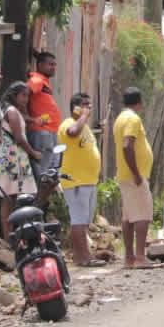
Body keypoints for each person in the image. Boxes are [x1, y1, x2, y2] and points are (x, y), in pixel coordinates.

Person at [114, 87, 158, 269]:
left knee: (129, 216)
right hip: (134, 175)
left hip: (125, 174)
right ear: (139, 101)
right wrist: (136, 173)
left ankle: (129, 257)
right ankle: (140, 257)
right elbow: (127, 146)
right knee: (142, 215)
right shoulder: (132, 118)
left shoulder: (120, 118)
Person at [59, 92, 103, 268]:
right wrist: (84, 115)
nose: (89, 108)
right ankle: (82, 257)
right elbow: (72, 133)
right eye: (85, 105)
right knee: (78, 220)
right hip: (76, 181)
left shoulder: (84, 126)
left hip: (88, 180)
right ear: (75, 107)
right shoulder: (69, 124)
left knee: (83, 221)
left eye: (89, 105)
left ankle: (83, 255)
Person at [0, 82, 39, 237]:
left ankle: (13, 234)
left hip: (16, 157)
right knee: (9, 196)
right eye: (23, 95)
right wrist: (33, 153)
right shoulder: (12, 111)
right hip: (13, 157)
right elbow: (19, 138)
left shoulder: (15, 111)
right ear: (14, 95)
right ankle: (8, 235)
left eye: (28, 96)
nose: (26, 99)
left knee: (13, 196)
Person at [26, 52, 63, 193]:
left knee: (50, 174)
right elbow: (23, 92)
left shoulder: (44, 82)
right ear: (40, 65)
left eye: (54, 65)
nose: (53, 67)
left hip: (50, 132)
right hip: (41, 132)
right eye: (50, 64)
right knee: (43, 175)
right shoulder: (37, 80)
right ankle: (38, 206)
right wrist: (28, 117)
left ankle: (44, 208)